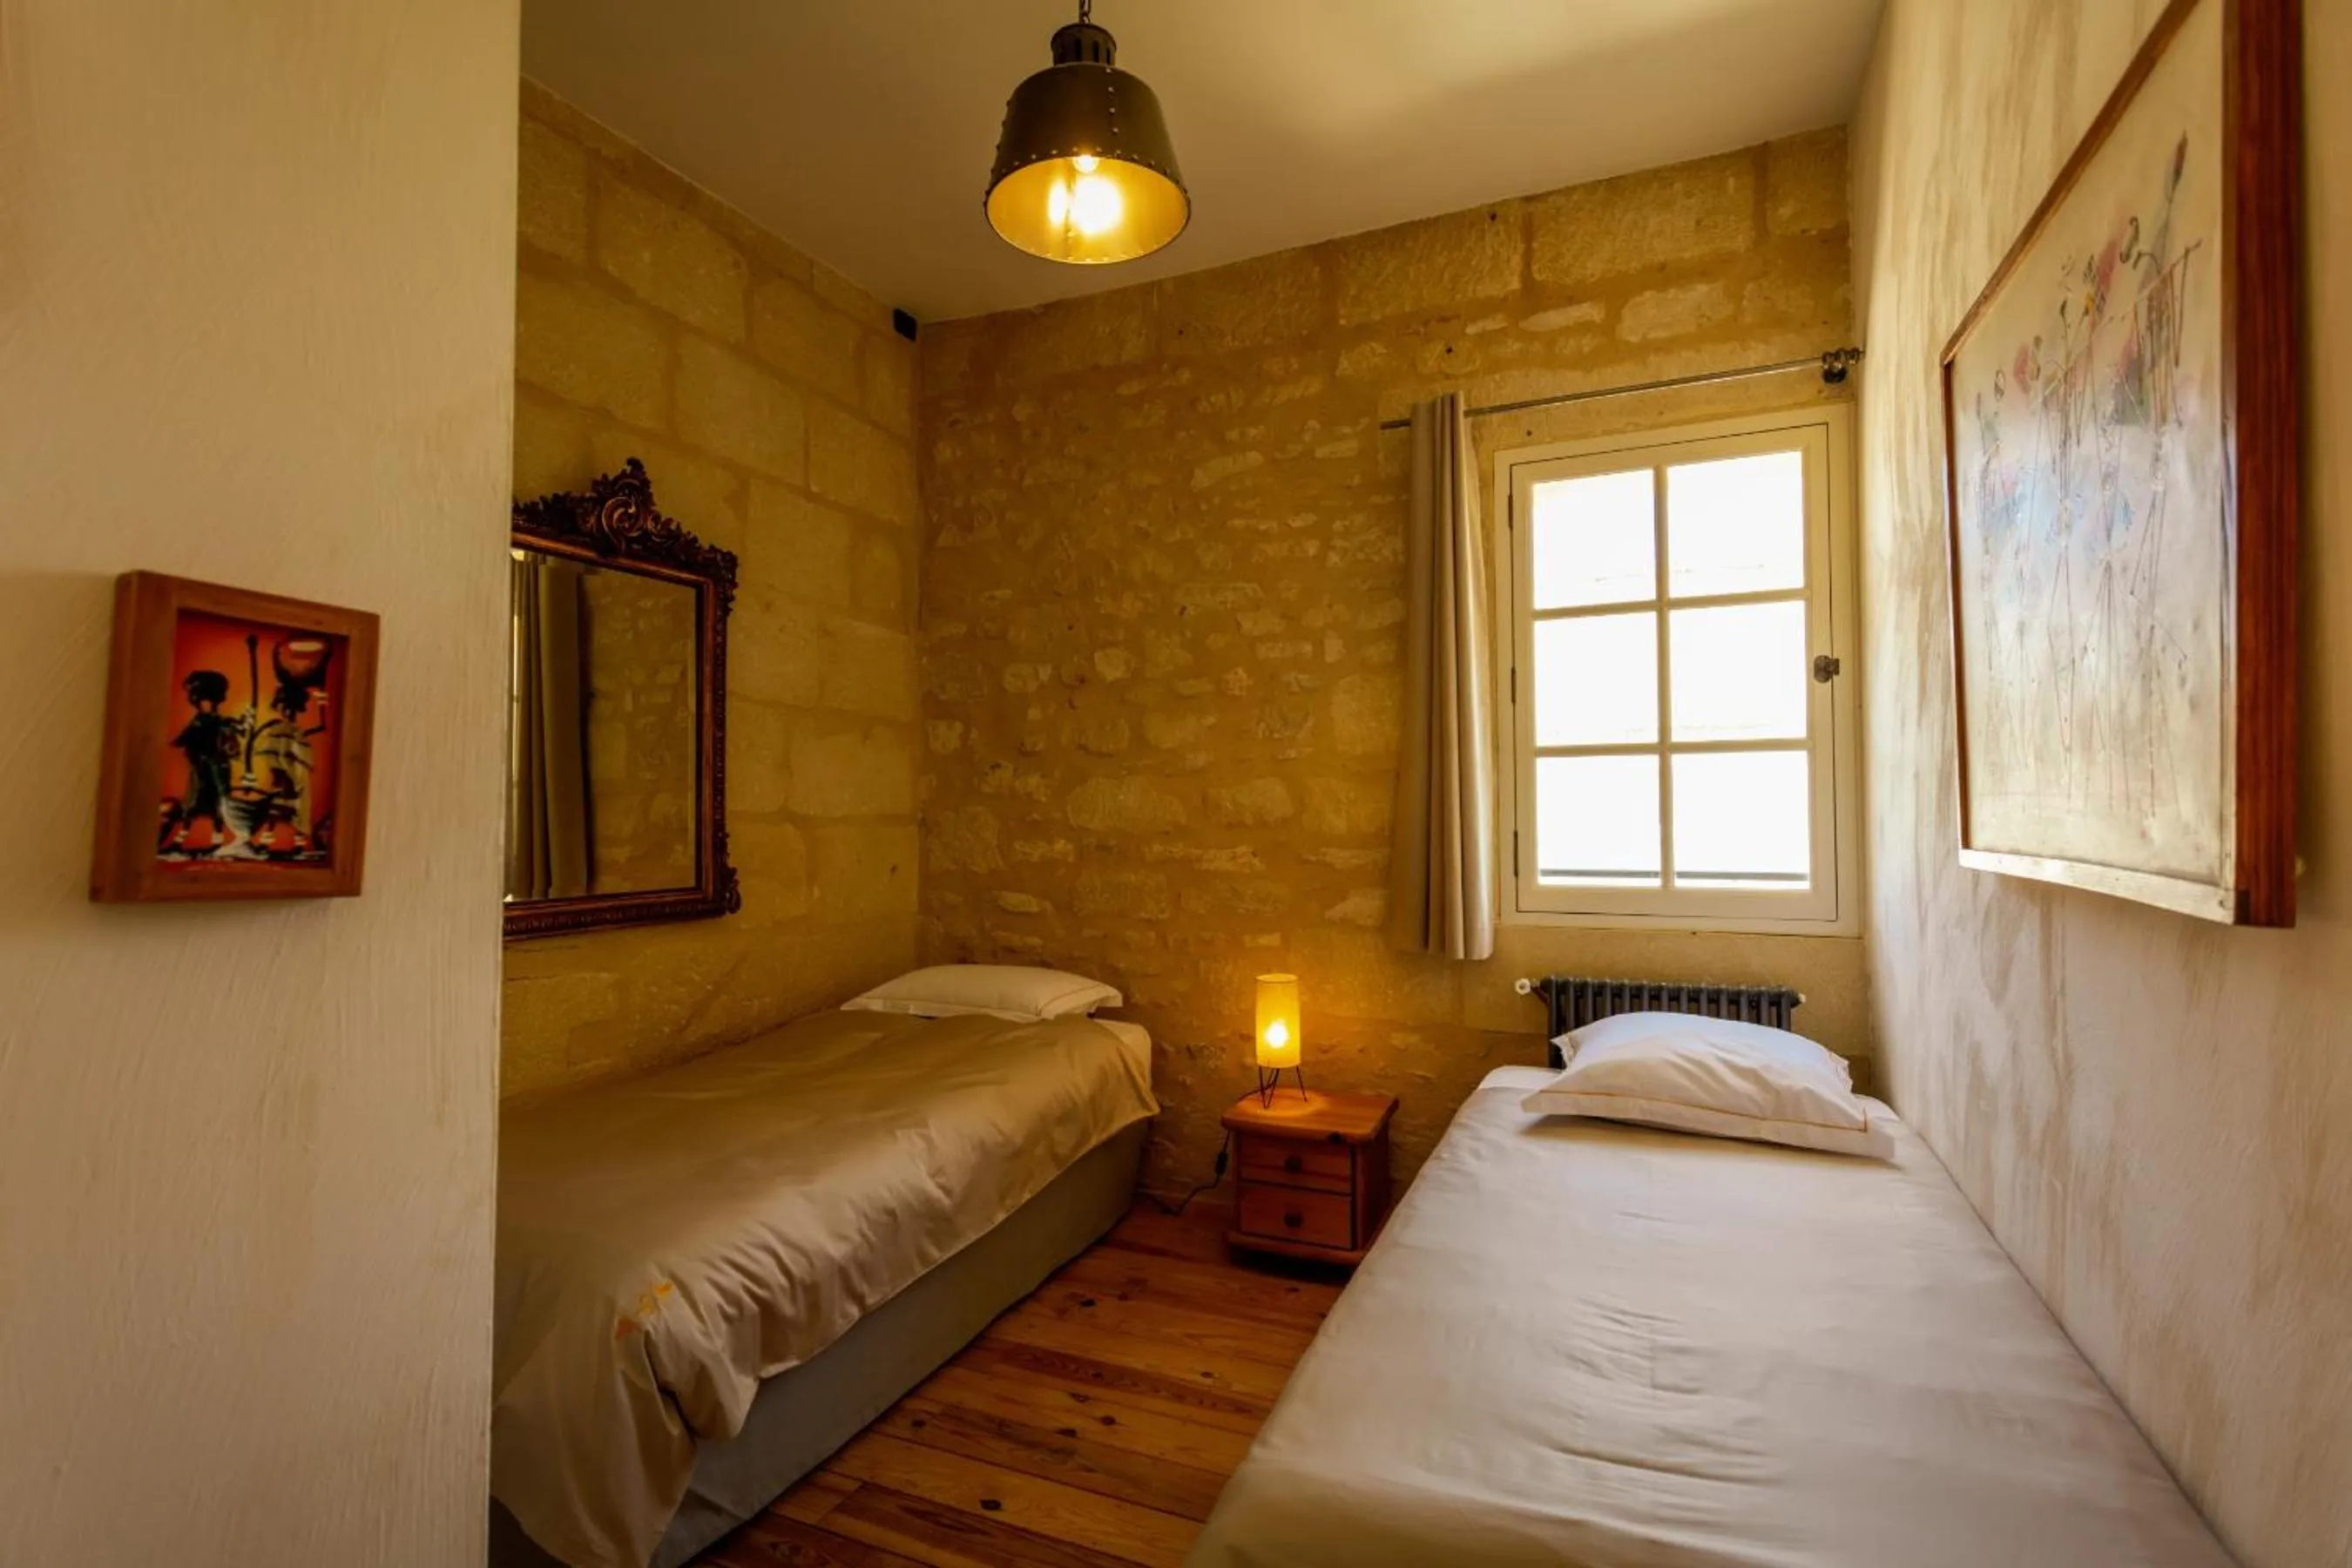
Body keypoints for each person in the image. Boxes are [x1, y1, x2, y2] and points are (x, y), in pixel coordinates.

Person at [163, 669, 236, 855]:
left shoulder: (221, 723)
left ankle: (217, 840)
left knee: (217, 808)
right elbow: (183, 739)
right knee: (192, 806)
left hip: (215, 770)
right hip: (200, 770)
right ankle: (180, 841)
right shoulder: (198, 722)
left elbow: (230, 745)